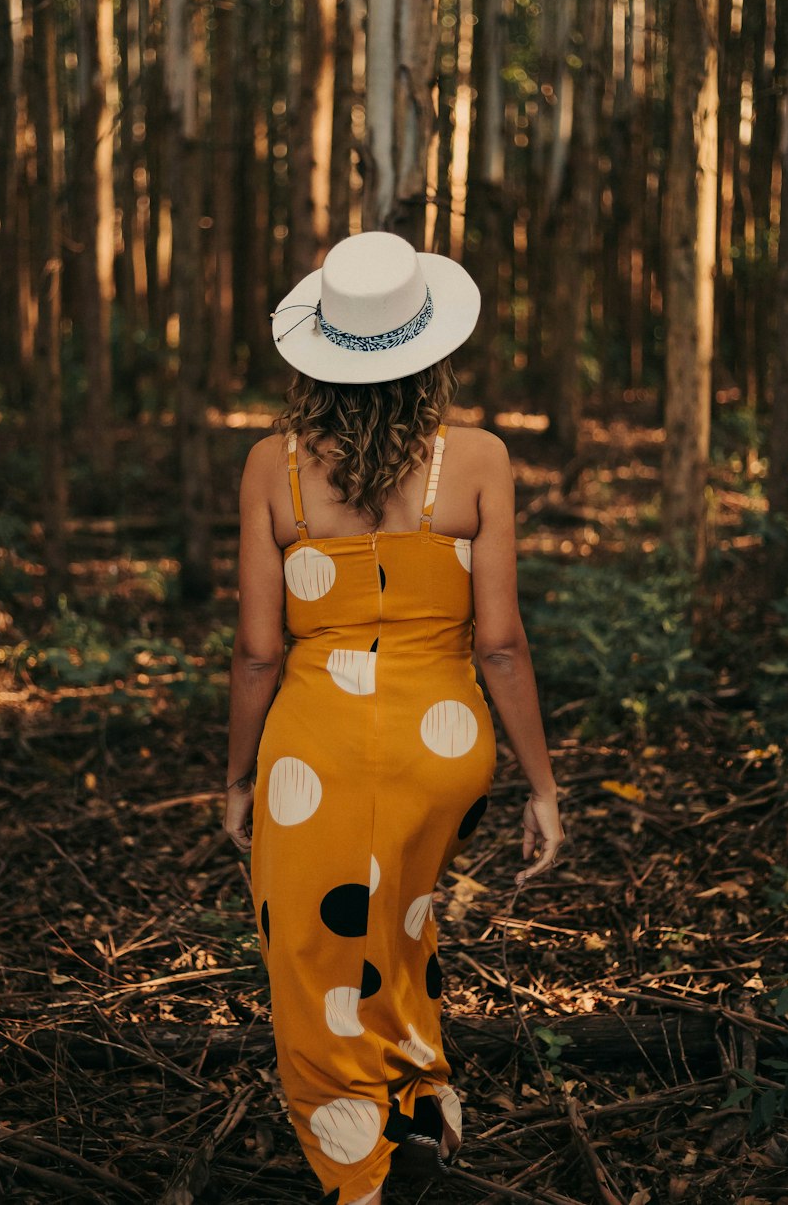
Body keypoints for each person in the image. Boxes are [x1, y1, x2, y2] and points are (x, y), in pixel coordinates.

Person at [223, 231, 564, 1205]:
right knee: (401, 924)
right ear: (428, 347)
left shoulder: (272, 470)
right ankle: (416, 1110)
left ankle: (356, 1172)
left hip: (315, 751)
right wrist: (541, 784)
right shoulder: (479, 460)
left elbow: (258, 651)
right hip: (440, 748)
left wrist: (240, 777)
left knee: (312, 956)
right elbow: (499, 642)